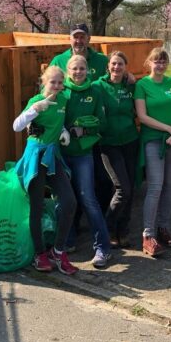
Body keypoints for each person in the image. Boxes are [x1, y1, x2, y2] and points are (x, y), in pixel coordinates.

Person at [12, 65, 79, 275]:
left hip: (53, 156)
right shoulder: (36, 101)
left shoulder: (63, 101)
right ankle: (39, 254)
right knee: (37, 206)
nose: (57, 86)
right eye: (53, 82)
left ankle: (58, 251)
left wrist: (64, 131)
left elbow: (56, 123)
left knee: (69, 202)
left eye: (60, 82)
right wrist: (34, 110)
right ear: (44, 82)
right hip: (36, 157)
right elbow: (16, 126)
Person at [61, 54, 112, 268]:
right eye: (74, 68)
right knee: (63, 200)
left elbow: (103, 123)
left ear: (88, 70)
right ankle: (67, 241)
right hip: (61, 154)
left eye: (82, 68)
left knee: (88, 199)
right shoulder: (60, 91)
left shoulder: (95, 92)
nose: (78, 72)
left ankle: (103, 248)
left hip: (83, 154)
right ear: (68, 70)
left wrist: (85, 128)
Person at [134, 48, 171, 257]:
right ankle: (148, 234)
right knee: (155, 186)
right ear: (149, 63)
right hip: (154, 140)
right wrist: (169, 129)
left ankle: (163, 227)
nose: (160, 65)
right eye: (156, 61)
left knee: (169, 185)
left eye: (163, 61)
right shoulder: (142, 85)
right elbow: (142, 116)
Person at [94, 51, 138, 248]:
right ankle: (107, 227)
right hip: (109, 144)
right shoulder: (99, 86)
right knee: (122, 189)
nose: (116, 67)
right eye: (113, 64)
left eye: (120, 64)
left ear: (125, 67)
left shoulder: (130, 86)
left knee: (131, 188)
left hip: (130, 140)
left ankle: (123, 229)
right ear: (108, 66)